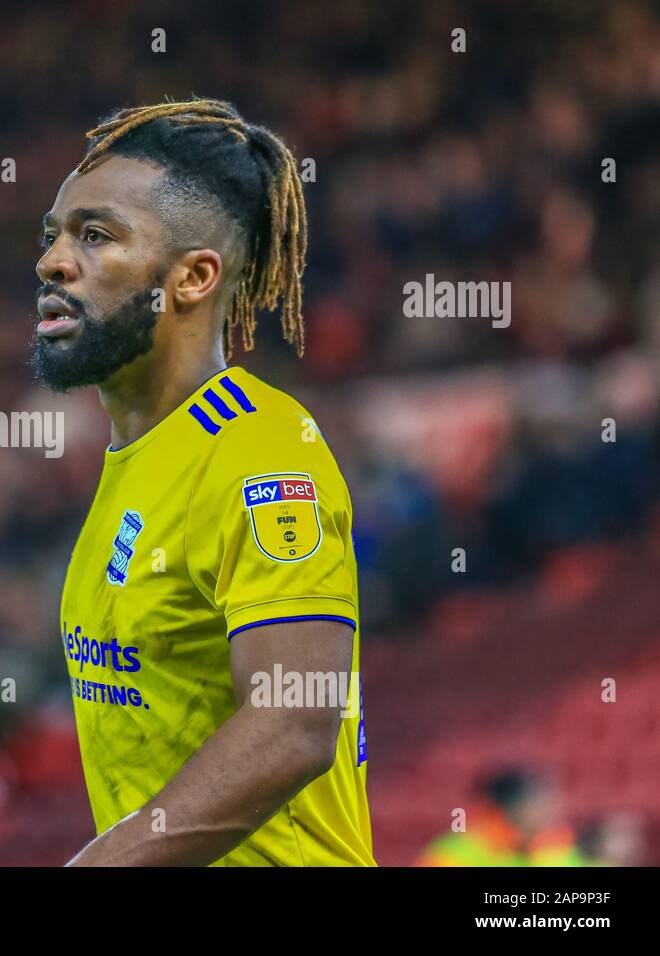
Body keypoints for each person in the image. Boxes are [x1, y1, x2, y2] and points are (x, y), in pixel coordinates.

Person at [35, 97, 373, 865]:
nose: (53, 261)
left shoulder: (262, 454)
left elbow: (294, 723)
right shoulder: (140, 457)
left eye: (94, 235)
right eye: (52, 235)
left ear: (192, 277)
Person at [416, 768, 585, 866]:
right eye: (540, 806)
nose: (550, 813)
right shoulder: (461, 850)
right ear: (512, 808)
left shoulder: (558, 848)